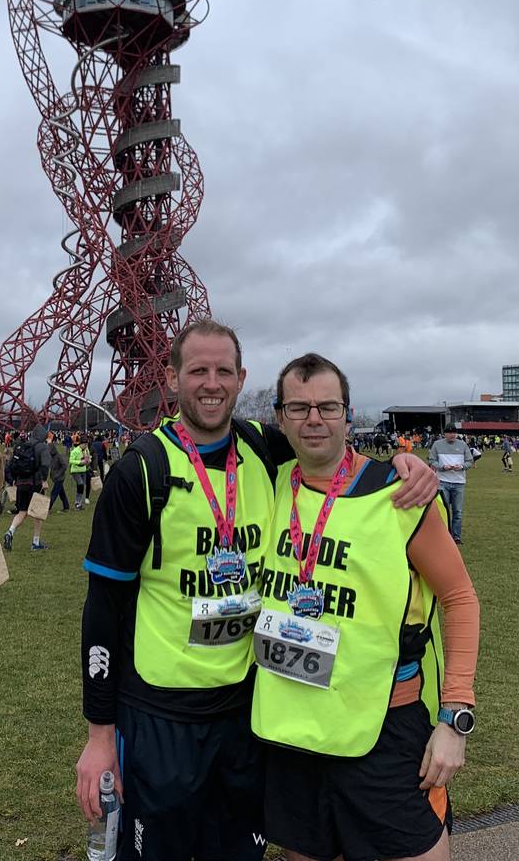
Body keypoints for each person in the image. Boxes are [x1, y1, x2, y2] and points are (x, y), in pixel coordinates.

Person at [74, 320, 439, 861]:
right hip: (162, 714)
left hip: (248, 711)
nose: (212, 383)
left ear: (242, 378)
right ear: (173, 380)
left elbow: (331, 454)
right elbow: (102, 609)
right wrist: (100, 735)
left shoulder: (262, 448)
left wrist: (403, 468)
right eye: (197, 370)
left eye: (224, 371)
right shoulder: (141, 472)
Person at [252, 354, 479, 861]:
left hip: (384, 725)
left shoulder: (400, 494)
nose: (314, 419)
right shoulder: (265, 484)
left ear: (348, 415)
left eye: (328, 407)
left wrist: (455, 717)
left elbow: (460, 598)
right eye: (300, 407)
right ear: (280, 416)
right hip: (291, 726)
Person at [1, 429, 48, 551]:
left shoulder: (21, 446)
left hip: (21, 484)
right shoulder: (41, 447)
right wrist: (44, 480)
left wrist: (13, 480)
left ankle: (10, 531)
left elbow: (10, 466)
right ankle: (35, 542)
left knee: (22, 511)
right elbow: (45, 465)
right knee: (38, 514)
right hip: (35, 483)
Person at [427, 425, 473, 545]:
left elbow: (470, 461)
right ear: (445, 434)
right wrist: (442, 467)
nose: (453, 435)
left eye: (455, 433)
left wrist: (462, 466)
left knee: (457, 511)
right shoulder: (437, 444)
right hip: (442, 481)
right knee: (444, 510)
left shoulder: (462, 445)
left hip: (459, 482)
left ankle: (456, 537)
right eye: (450, 433)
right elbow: (432, 460)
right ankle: (444, 535)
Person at [46, 432, 71, 513]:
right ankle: (66, 507)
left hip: (59, 478)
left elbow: (64, 466)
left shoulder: (58, 456)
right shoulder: (52, 456)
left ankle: (48, 508)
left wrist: (58, 474)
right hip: (56, 477)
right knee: (61, 493)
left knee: (54, 493)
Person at [69, 432, 91, 510]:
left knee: (81, 487)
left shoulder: (86, 450)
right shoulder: (75, 451)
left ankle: (78, 503)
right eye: (84, 444)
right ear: (80, 444)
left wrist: (88, 461)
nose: (85, 446)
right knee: (80, 484)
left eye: (86, 444)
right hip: (75, 471)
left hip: (83, 470)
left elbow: (89, 457)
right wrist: (80, 462)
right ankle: (77, 502)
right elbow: (71, 461)